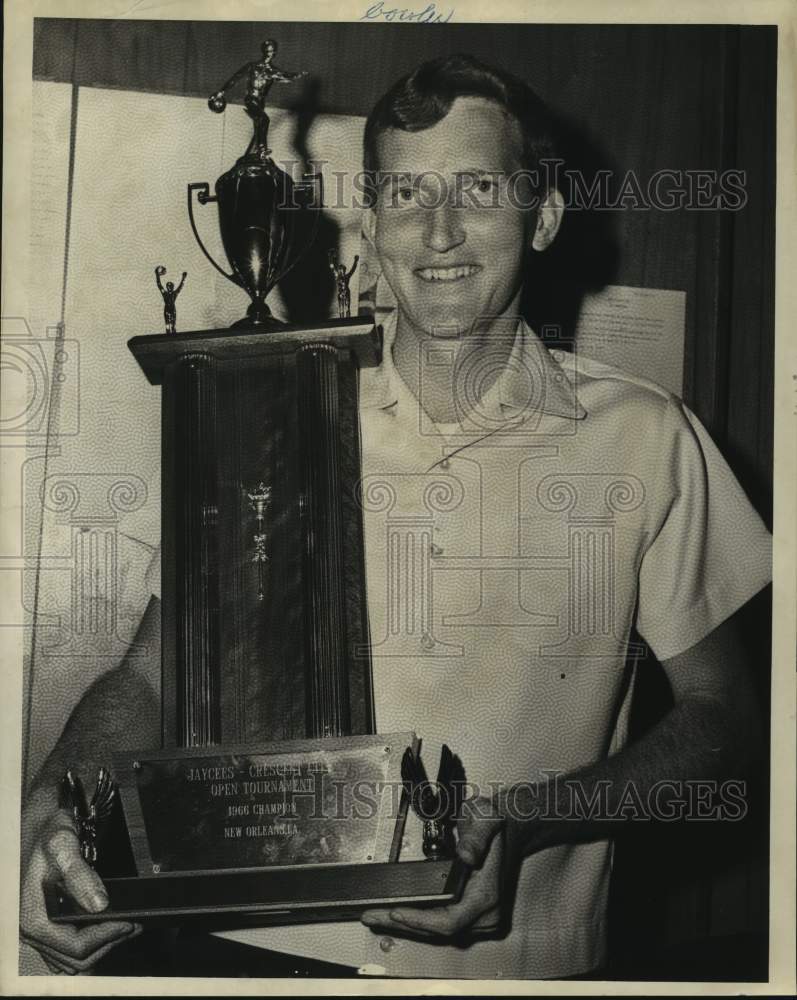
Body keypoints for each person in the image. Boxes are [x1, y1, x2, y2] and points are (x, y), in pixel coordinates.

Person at [20, 54, 771, 979]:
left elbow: (727, 722)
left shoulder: (648, 439)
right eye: (406, 193)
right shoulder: (268, 413)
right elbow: (149, 671)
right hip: (254, 953)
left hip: (516, 967)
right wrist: (51, 800)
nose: (439, 230)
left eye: (478, 188)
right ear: (368, 226)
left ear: (542, 214)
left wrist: (529, 821)